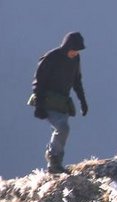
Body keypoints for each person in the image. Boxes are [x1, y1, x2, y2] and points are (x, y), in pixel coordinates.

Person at [31, 31, 88, 174]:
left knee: (62, 130)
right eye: (74, 50)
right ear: (67, 47)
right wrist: (39, 106)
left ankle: (56, 163)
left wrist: (82, 101)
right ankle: (53, 161)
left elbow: (77, 81)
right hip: (47, 100)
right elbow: (39, 82)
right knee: (62, 128)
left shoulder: (75, 59)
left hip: (62, 102)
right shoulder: (51, 58)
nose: (75, 53)